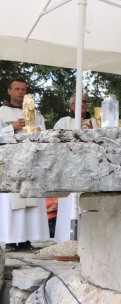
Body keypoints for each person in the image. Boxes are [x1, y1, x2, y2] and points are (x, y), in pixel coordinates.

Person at [0, 78, 50, 252]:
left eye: (23, 90)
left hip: (30, 163)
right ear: (9, 91)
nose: (21, 92)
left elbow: (44, 134)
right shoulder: (1, 112)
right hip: (10, 164)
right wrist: (11, 127)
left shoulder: (35, 114)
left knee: (30, 200)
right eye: (17, 89)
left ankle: (27, 238)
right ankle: (11, 240)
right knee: (11, 201)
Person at [53, 93, 97, 242]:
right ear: (71, 106)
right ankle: (66, 239)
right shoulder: (62, 122)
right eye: (78, 102)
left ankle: (89, 240)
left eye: (84, 101)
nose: (82, 104)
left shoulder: (96, 122)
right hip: (69, 170)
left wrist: (93, 132)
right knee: (69, 205)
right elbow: (55, 142)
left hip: (89, 170)